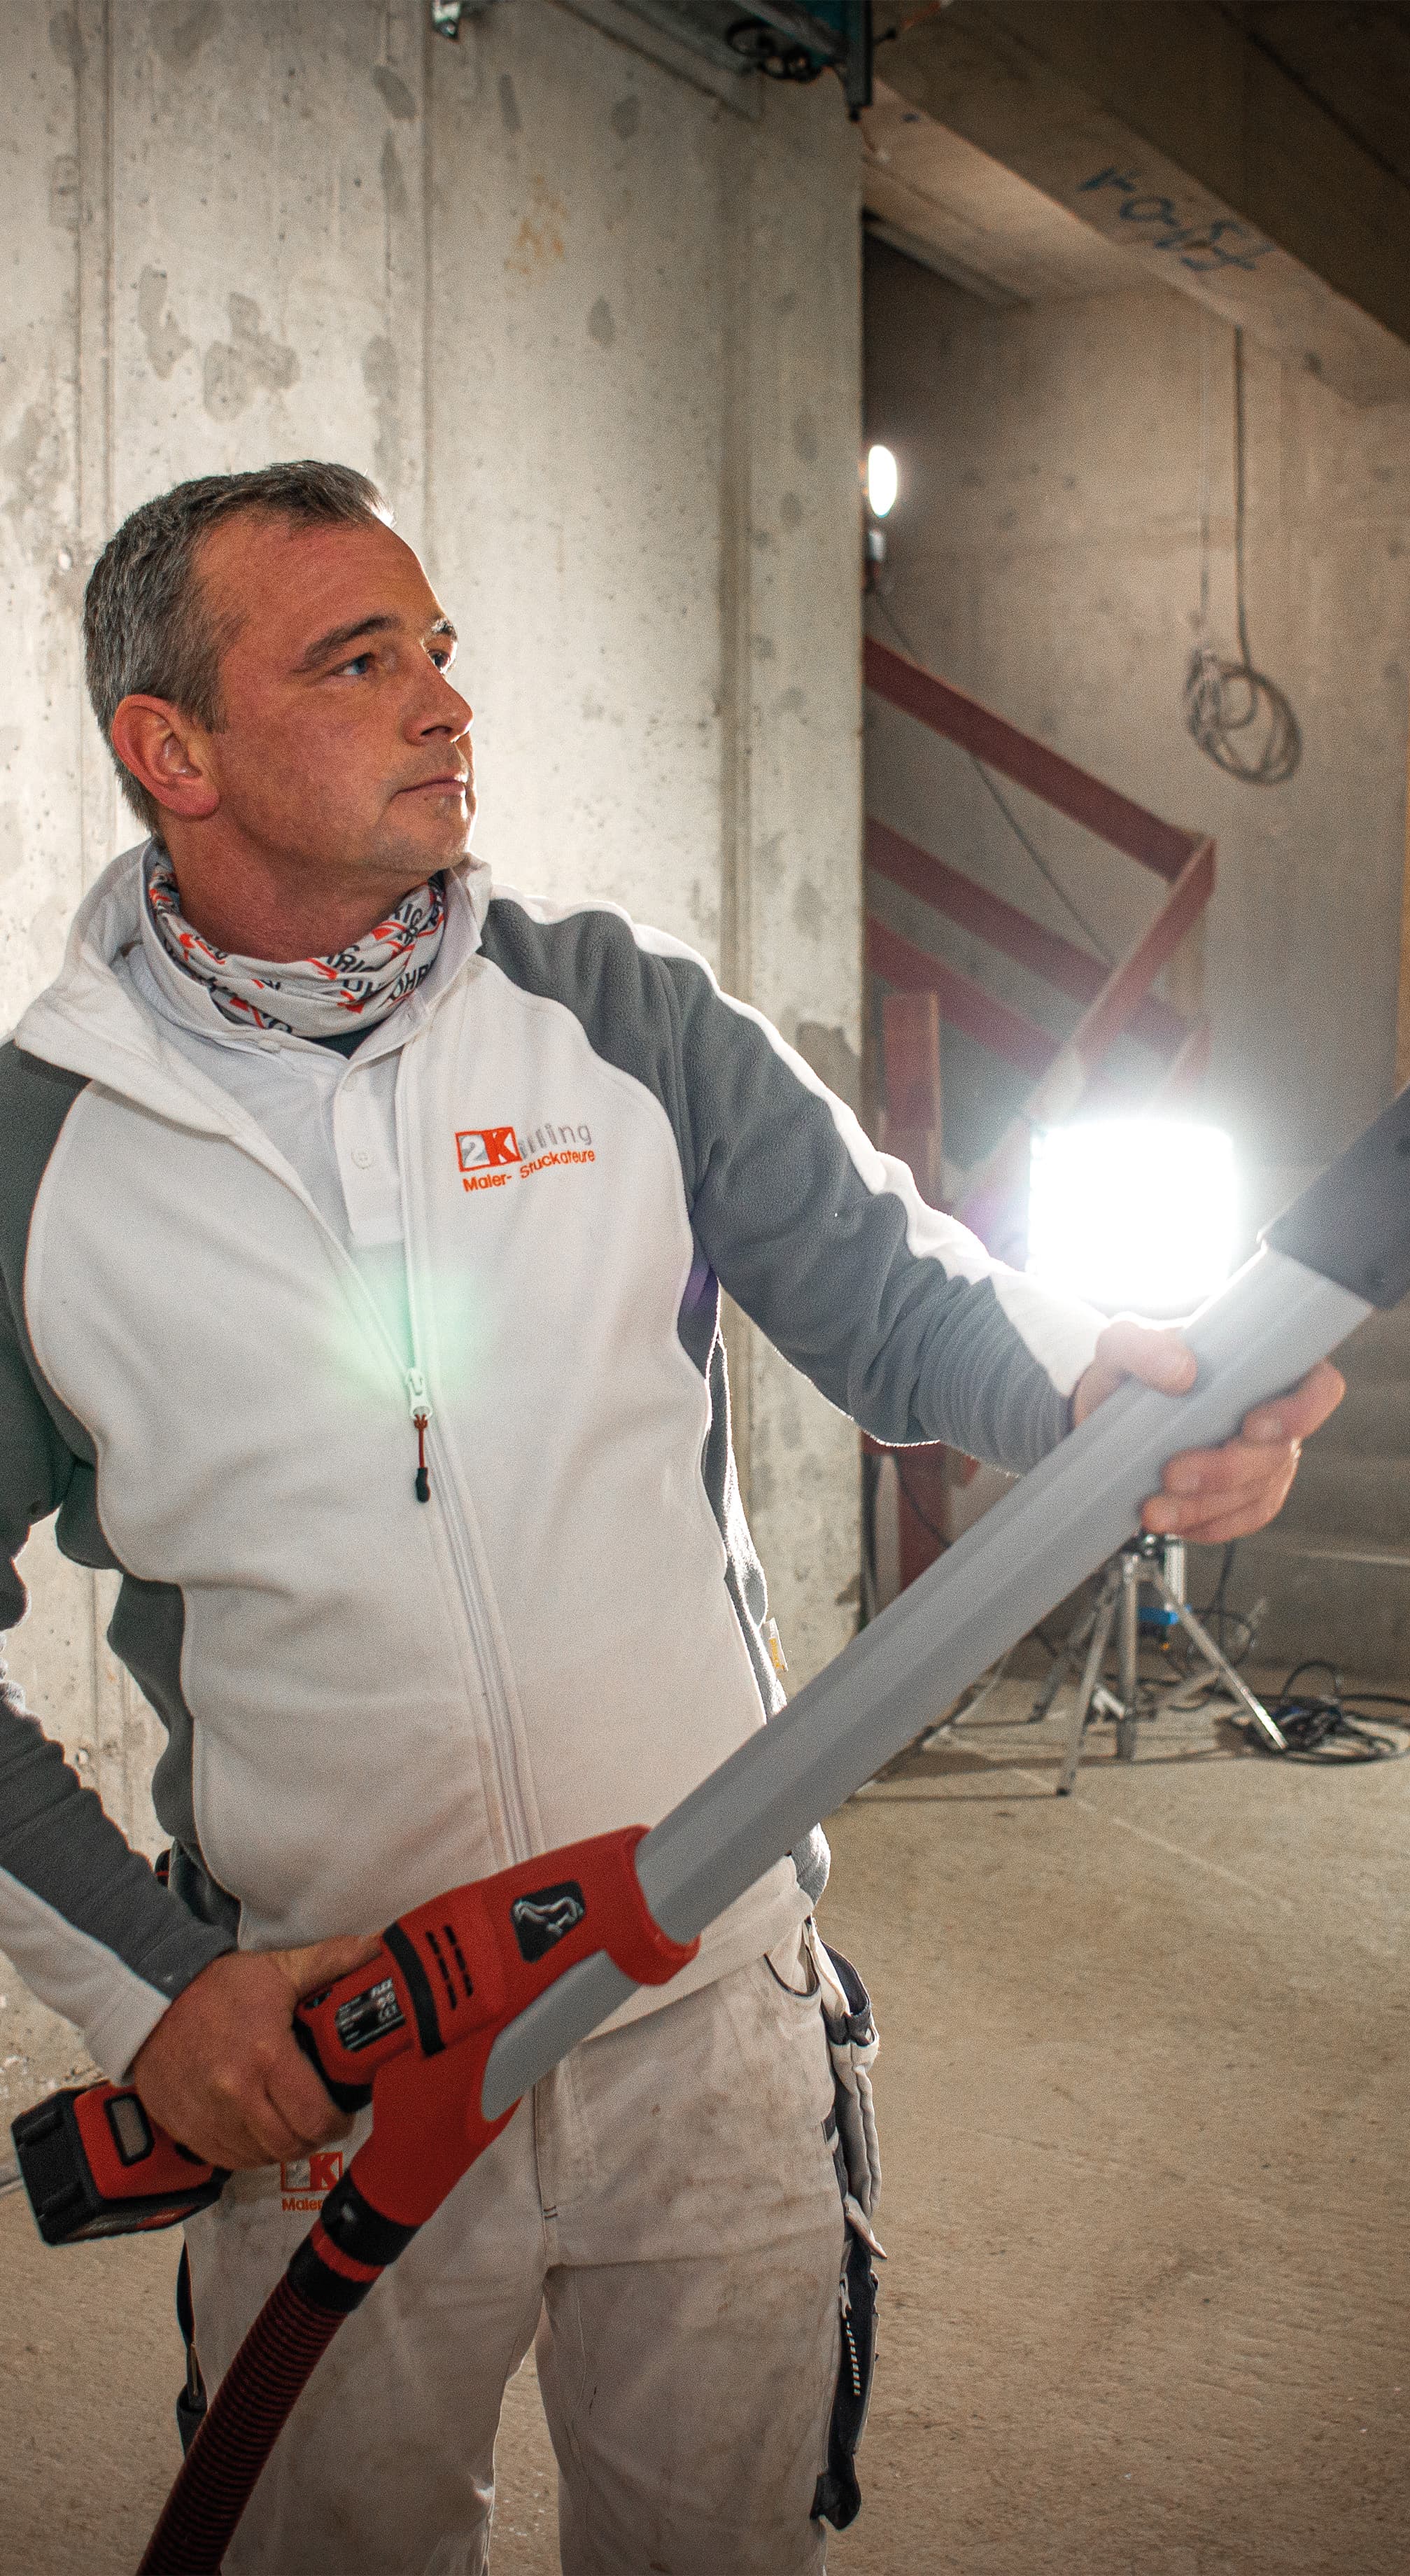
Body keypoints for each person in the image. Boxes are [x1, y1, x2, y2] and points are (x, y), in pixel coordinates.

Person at [0, 461, 1341, 2572]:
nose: (446, 704)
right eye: (360, 662)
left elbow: (908, 1305)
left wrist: (1104, 1394)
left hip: (705, 2008)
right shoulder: (45, 1161)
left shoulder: (618, 1018)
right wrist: (159, 1995)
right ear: (168, 749)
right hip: (334, 2053)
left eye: (441, 650)